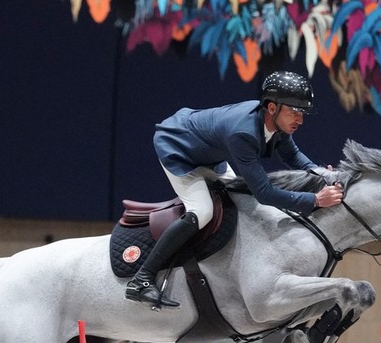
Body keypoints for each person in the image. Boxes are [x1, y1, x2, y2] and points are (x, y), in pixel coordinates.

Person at [125, 71, 345, 307]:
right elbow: (265, 193)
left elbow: (292, 156)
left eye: (302, 113)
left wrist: (322, 173)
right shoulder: (243, 133)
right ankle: (142, 280)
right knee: (202, 212)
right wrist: (315, 200)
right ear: (272, 108)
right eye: (294, 111)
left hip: (209, 154)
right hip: (178, 150)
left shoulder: (275, 123)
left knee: (240, 201)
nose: (300, 119)